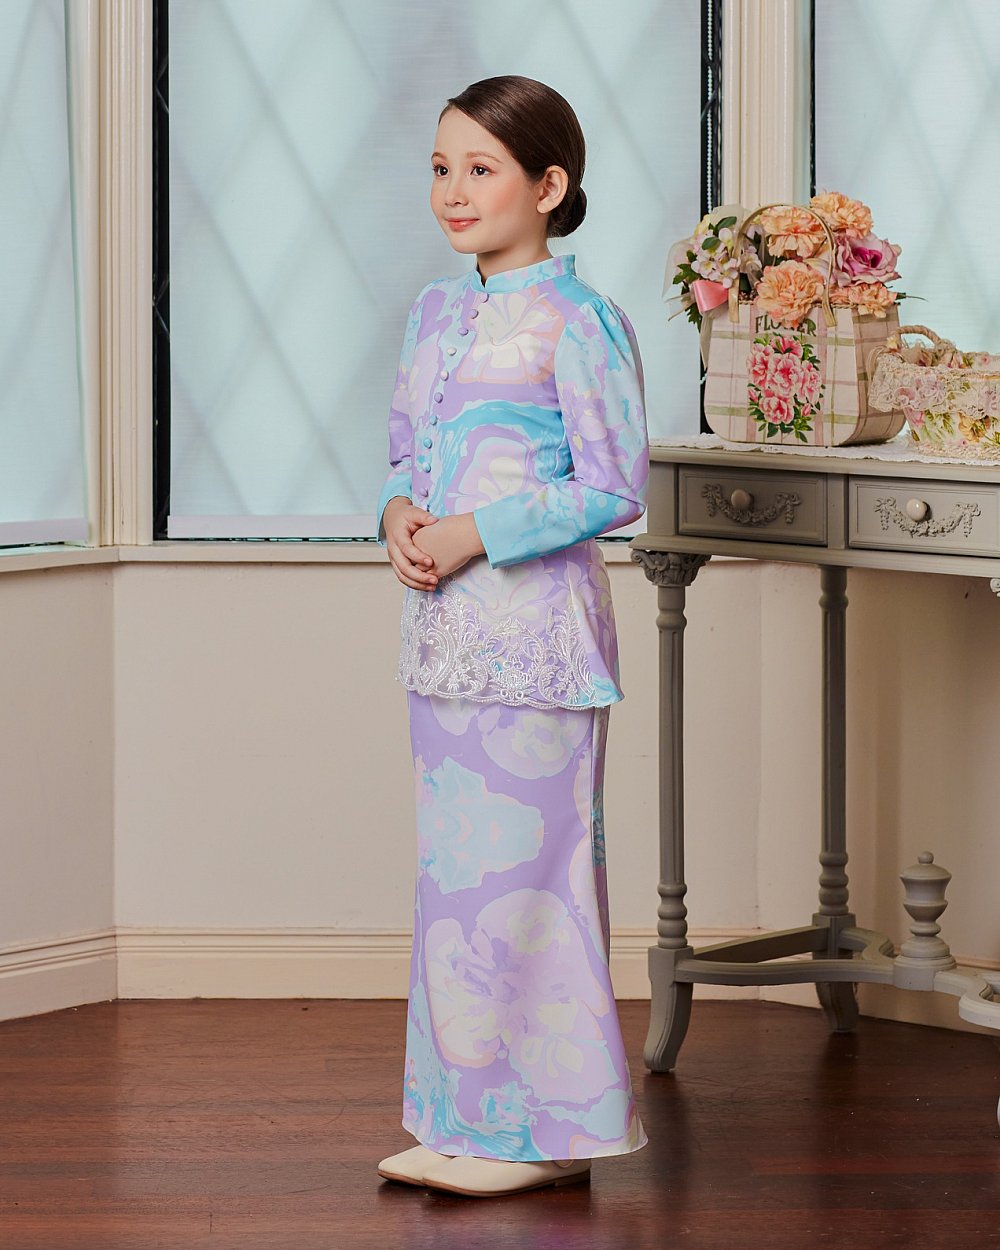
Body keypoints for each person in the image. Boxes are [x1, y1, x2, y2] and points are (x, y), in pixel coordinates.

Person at [374, 74, 650, 1199]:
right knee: (456, 889)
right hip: (442, 637)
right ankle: (464, 1121)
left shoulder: (583, 321)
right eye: (441, 168)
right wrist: (398, 515)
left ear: (547, 184)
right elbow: (407, 452)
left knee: (534, 884)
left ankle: (547, 1134)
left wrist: (475, 533)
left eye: (480, 169)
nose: (453, 190)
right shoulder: (433, 314)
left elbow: (614, 485)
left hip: (537, 642)